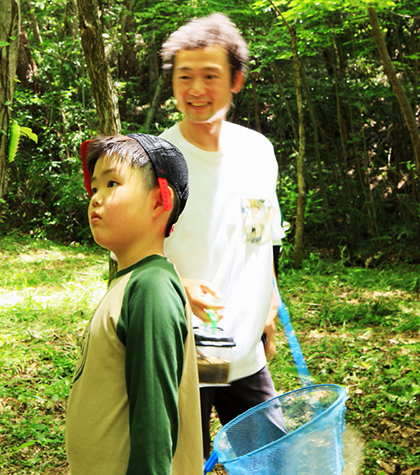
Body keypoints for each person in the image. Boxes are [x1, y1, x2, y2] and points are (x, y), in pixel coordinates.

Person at [159, 13, 286, 457]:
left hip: (246, 352)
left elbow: (262, 235)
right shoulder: (156, 159)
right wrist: (177, 282)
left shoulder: (257, 151)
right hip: (185, 352)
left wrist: (269, 304)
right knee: (184, 463)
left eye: (210, 76)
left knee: (272, 462)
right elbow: (129, 258)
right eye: (185, 76)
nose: (195, 90)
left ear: (237, 80)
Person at [65, 134, 202, 475]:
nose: (95, 199)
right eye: (94, 188)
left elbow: (154, 429)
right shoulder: (129, 282)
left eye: (111, 183)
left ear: (160, 201)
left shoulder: (150, 287)